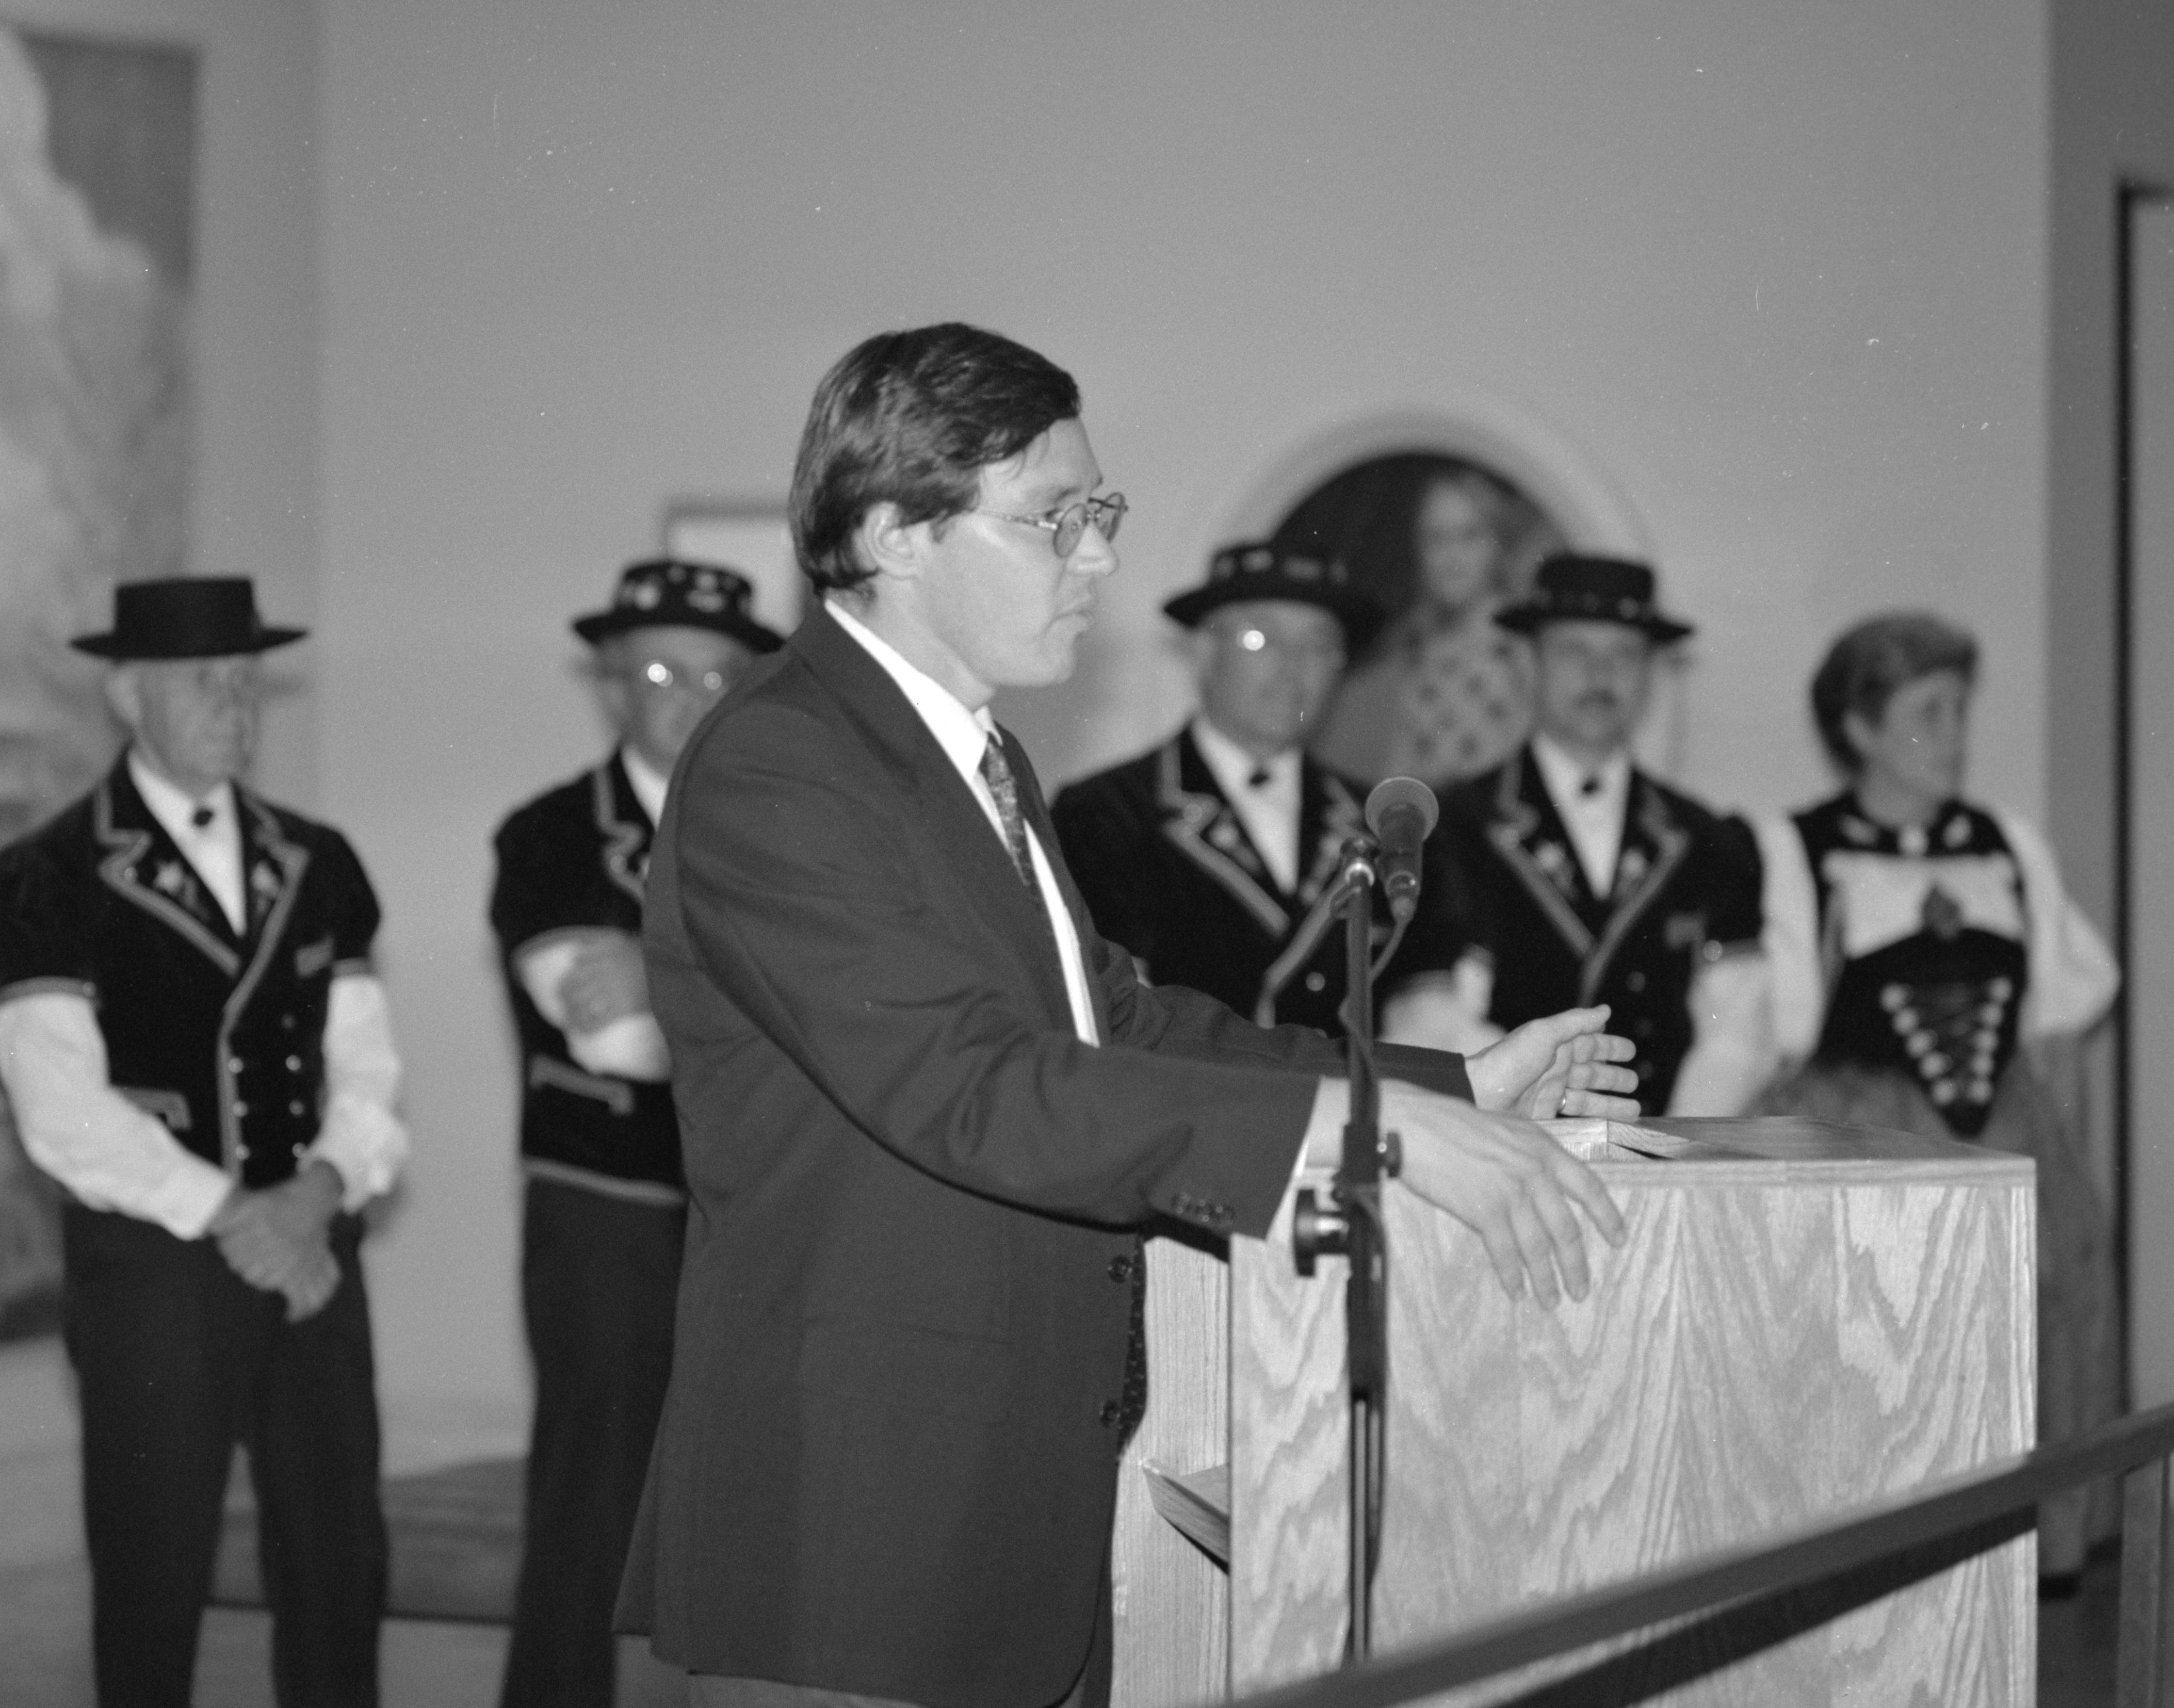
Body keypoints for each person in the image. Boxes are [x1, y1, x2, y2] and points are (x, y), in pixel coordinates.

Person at [618, 323, 1640, 1708]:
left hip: (995, 1499)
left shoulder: (970, 754)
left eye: (1100, 512)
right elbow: (976, 1087)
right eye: (1054, 518)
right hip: (858, 1532)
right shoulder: (783, 762)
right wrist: (1369, 1137)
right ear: (893, 534)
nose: (1097, 556)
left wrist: (1442, 1082)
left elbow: (1122, 1025)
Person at [0, 577, 408, 1708]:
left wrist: (317, 1191)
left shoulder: (318, 860)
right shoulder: (44, 875)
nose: (234, 702)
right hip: (154, 1271)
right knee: (152, 1579)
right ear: (127, 694)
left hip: (312, 1254)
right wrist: (234, 1213)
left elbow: (366, 1065)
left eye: (245, 678)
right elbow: (59, 1108)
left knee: (338, 1567)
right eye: (202, 680)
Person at [1752, 611, 2118, 1586]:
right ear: (1859, 728)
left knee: (2034, 1320)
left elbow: (2058, 1021)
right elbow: (1777, 1037)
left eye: (1959, 711)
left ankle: (2023, 1566)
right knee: (1880, 1341)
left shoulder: (2007, 846)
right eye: (1928, 714)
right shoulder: (1797, 850)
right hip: (1866, 1133)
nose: (1954, 736)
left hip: (2005, 1129)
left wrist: (2068, 1177)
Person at [491, 558, 779, 1708]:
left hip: (761, 1217)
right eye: (660, 674)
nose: (689, 699)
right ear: (612, 685)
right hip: (604, 1217)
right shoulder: (551, 834)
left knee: (755, 1497)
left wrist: (661, 974)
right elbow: (612, 1041)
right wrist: (752, 1000)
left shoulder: (789, 836)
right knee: (590, 1500)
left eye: (716, 676)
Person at [1405, 554, 1774, 1119]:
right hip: (1508, 1143)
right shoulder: (1450, 828)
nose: (1600, 676)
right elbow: (1429, 1022)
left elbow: (1739, 1035)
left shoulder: (1710, 839)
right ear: (1528, 663)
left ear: (1651, 673)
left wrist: (1670, 1149)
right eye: (1574, 651)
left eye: (1623, 655)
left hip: (1667, 1148)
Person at [1052, 537, 1454, 1034]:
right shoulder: (1107, 812)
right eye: (1261, 639)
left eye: (1319, 646)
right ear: (1204, 652)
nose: (1292, 669)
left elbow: (1427, 1017)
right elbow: (1115, 1012)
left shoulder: (1388, 821)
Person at [1316, 467, 1541, 786]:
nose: (1452, 556)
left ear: (1498, 544)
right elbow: (1405, 760)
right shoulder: (1414, 644)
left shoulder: (1524, 644)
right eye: (1437, 539)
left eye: (1469, 535)